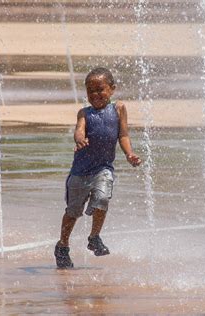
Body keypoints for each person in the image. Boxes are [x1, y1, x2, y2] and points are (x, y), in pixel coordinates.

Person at [54, 67, 141, 269]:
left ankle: (94, 237)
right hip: (79, 172)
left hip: (103, 168)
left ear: (112, 89)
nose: (95, 95)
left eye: (100, 89)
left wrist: (129, 154)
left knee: (102, 198)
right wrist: (80, 139)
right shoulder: (84, 113)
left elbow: (123, 135)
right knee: (73, 212)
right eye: (90, 91)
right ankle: (62, 245)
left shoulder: (118, 109)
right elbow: (79, 130)